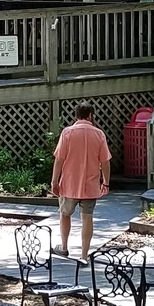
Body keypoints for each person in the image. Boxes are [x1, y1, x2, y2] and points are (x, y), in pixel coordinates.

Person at [49, 102, 110, 260]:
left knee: (65, 214)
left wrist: (54, 181)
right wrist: (106, 182)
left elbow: (59, 159)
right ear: (90, 115)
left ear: (76, 115)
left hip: (69, 184)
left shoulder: (67, 132)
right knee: (87, 217)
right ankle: (84, 255)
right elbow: (105, 161)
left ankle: (64, 247)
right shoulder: (99, 134)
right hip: (90, 185)